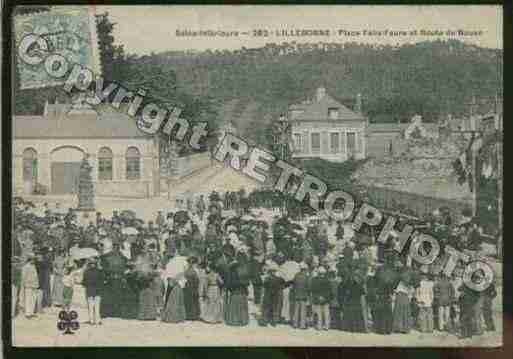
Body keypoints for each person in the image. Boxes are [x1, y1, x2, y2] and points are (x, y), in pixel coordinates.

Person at [224, 260, 250, 326]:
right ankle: (242, 320)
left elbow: (229, 285)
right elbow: (247, 283)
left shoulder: (231, 274)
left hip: (235, 292)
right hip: (241, 292)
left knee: (235, 307)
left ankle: (234, 321)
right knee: (241, 307)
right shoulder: (241, 273)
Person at [82, 258, 104, 325]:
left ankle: (91, 320)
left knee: (90, 306)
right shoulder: (99, 271)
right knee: (97, 307)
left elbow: (84, 282)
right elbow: (102, 281)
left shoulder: (86, 272)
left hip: (89, 291)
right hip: (98, 291)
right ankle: (97, 320)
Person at [310, 266, 332, 330]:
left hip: (317, 298)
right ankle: (327, 326)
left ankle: (319, 326)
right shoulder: (327, 280)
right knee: (326, 313)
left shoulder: (314, 280)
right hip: (326, 298)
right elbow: (329, 290)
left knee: (319, 313)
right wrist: (325, 297)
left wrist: (318, 297)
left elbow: (313, 290)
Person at [292, 262, 310, 329]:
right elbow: (308, 287)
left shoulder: (296, 276)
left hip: (296, 295)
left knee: (296, 310)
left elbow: (293, 285)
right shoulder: (306, 277)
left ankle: (295, 324)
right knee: (303, 311)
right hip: (303, 296)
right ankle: (302, 325)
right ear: (304, 269)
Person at [183, 257, 201, 321]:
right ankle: (193, 315)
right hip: (193, 287)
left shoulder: (186, 271)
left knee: (188, 301)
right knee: (193, 301)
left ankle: (188, 315)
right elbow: (197, 280)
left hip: (187, 287)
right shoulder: (194, 271)